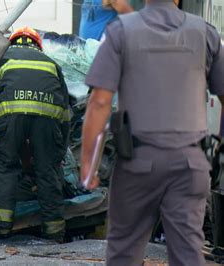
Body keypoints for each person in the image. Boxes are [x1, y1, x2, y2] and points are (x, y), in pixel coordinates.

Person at [80, 0, 224, 264]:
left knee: (125, 250)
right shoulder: (205, 32)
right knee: (188, 254)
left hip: (138, 163)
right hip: (190, 164)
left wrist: (88, 165)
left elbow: (99, 102)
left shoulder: (121, 31)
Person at [0, 26, 71, 242]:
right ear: (37, 44)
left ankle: (0, 226)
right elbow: (65, 113)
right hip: (47, 119)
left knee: (5, 166)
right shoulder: (51, 64)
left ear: (12, 41)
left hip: (10, 117)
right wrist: (59, 149)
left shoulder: (2, 58)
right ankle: (54, 231)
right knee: (48, 171)